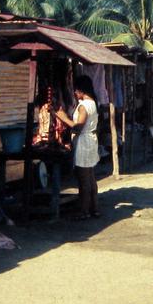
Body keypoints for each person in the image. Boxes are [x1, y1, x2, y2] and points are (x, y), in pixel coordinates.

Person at [53, 76, 100, 219]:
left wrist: (61, 116)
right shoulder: (92, 103)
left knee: (84, 179)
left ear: (81, 90)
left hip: (84, 143)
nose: (74, 93)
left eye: (76, 90)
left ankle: (84, 211)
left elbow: (78, 127)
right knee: (91, 177)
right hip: (91, 141)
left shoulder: (83, 106)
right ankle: (94, 209)